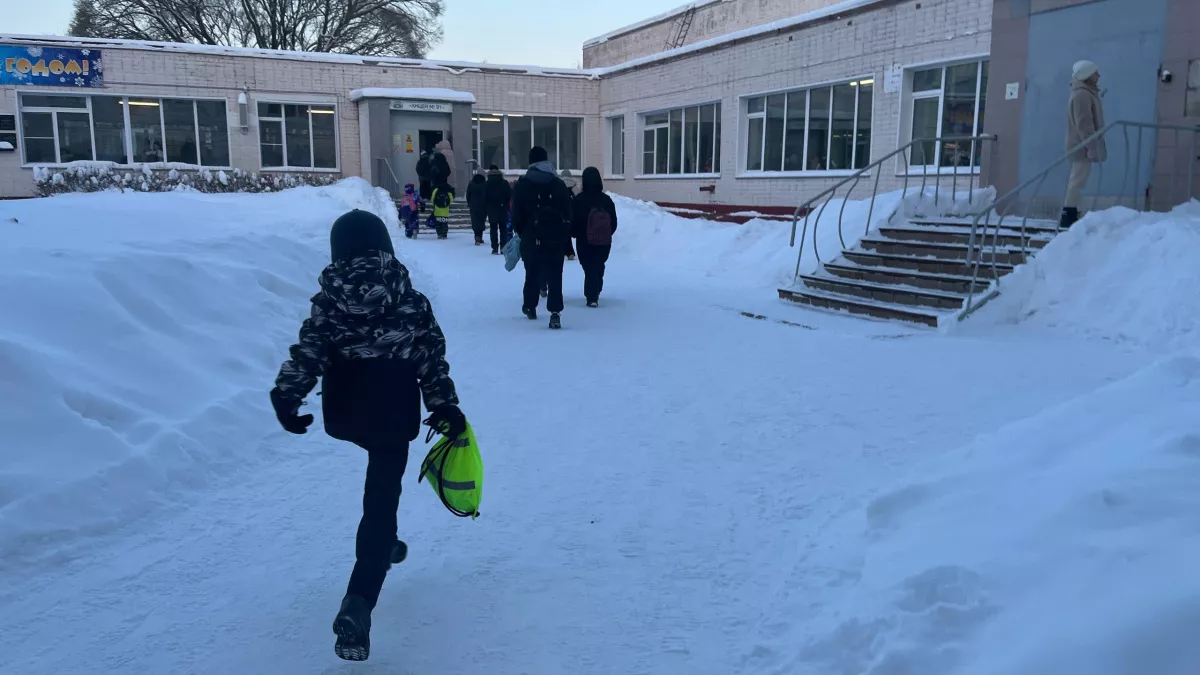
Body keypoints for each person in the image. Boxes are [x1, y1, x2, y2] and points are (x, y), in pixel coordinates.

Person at [268, 209, 466, 662]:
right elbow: (430, 360)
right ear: (385, 248)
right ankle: (359, 599)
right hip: (393, 411)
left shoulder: (329, 299)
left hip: (347, 411)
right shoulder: (409, 298)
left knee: (379, 491)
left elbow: (310, 350)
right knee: (381, 497)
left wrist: (287, 395)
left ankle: (385, 544)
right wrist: (444, 406)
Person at [511, 146, 572, 330]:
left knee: (531, 273)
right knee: (555, 275)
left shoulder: (524, 184)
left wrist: (523, 232)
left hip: (531, 237)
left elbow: (516, 215)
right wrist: (563, 232)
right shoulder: (558, 184)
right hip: (554, 238)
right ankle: (555, 313)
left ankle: (530, 306)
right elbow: (568, 211)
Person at [1062, 59, 1106, 229]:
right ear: (1087, 74)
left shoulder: (1087, 93)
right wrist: (1091, 146)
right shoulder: (1082, 94)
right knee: (1077, 181)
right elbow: (1084, 124)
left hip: (1082, 145)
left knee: (1078, 180)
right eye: (1095, 73)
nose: (1098, 76)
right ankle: (1069, 215)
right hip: (1081, 146)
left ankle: (1072, 212)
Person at [571, 167, 618, 307]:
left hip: (584, 241)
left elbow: (573, 220)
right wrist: (607, 233)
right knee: (598, 264)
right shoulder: (606, 200)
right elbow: (614, 222)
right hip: (603, 241)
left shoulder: (579, 200)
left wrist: (575, 233)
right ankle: (596, 287)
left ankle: (592, 296)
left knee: (589, 267)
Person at [485, 165, 513, 255]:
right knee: (503, 229)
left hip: (491, 208)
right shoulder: (504, 183)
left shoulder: (487, 183)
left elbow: (484, 197)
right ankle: (503, 247)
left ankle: (494, 248)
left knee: (493, 229)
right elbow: (509, 195)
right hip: (503, 208)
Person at [466, 172, 488, 246]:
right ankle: (480, 237)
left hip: (473, 205)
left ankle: (476, 236)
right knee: (481, 221)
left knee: (475, 221)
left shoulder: (471, 184)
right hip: (483, 205)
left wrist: (469, 203)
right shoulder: (485, 184)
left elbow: (468, 194)